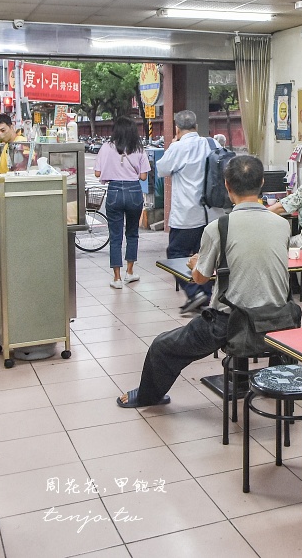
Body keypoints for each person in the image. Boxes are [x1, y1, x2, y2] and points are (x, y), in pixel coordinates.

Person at [117, 154, 290, 408]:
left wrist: (194, 263)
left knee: (162, 346)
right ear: (262, 182)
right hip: (278, 317)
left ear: (227, 186)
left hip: (230, 323)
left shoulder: (219, 227)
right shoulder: (281, 224)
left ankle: (148, 396)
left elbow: (200, 277)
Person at [156, 110, 214, 315]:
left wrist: (174, 143)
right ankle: (206, 294)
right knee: (205, 254)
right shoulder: (210, 144)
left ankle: (194, 291)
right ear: (197, 127)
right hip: (209, 213)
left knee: (176, 254)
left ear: (177, 129)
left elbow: (161, 169)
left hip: (186, 214)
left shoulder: (178, 147)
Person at [94, 115, 150, 289]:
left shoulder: (106, 147)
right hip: (134, 191)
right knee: (132, 233)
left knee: (115, 236)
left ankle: (116, 278)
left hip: (114, 191)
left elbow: (97, 173)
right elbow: (143, 176)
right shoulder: (139, 149)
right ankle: (130, 273)